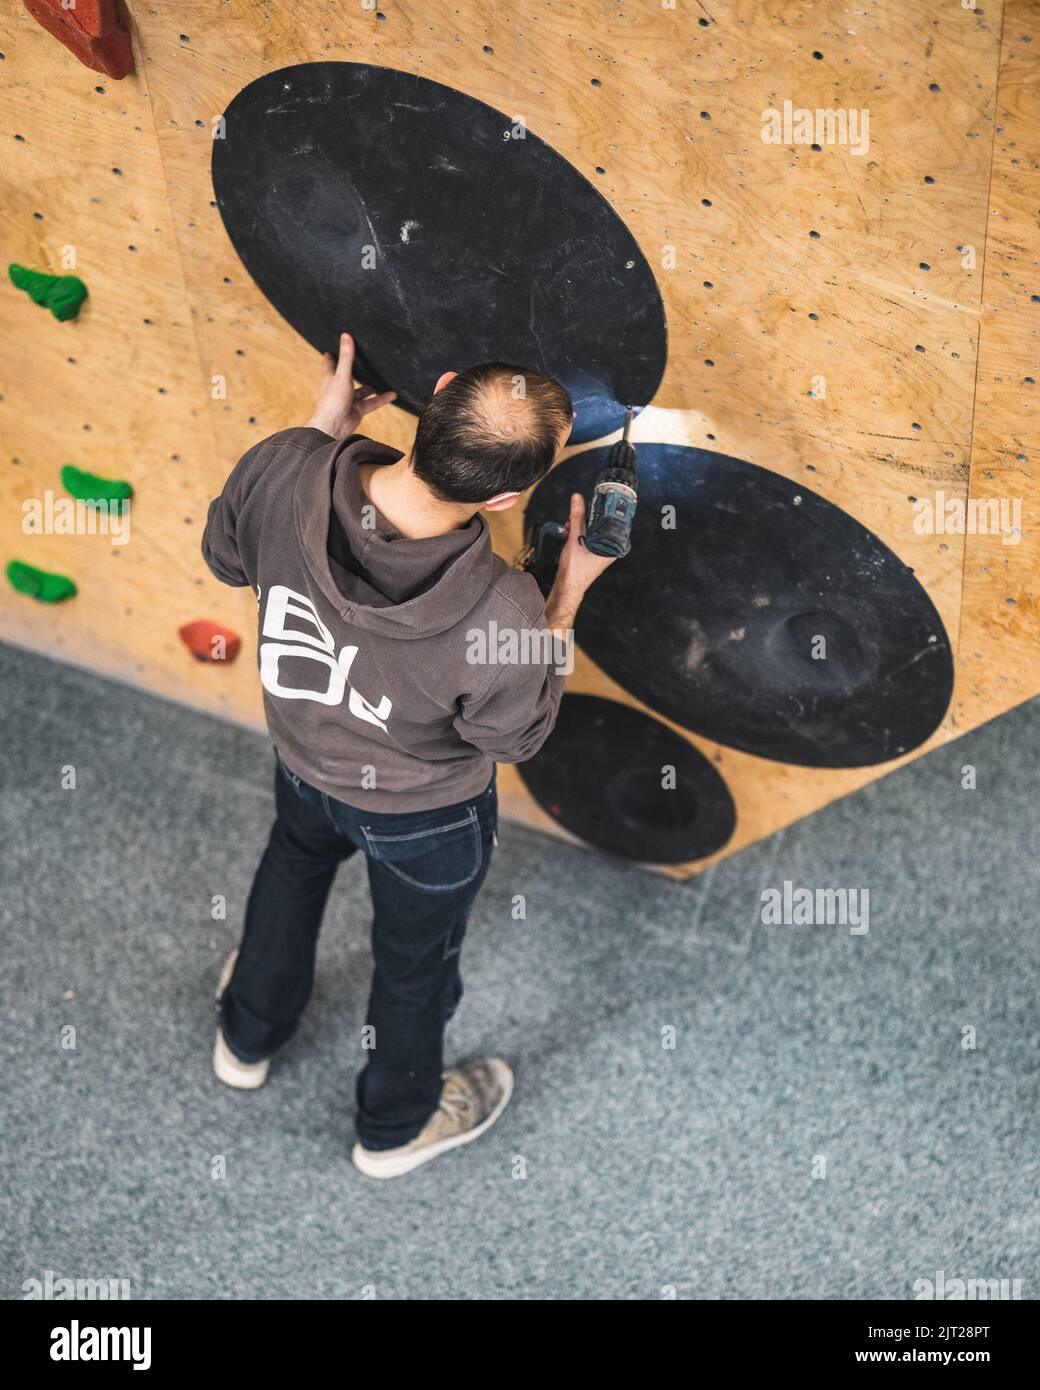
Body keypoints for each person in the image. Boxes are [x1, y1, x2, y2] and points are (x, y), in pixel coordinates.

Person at [201, 332, 613, 1178]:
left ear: (441, 390)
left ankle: (247, 1035)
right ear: (505, 500)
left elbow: (224, 554)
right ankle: (392, 1129)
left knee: (292, 867)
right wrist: (566, 592)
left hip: (304, 761)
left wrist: (317, 439)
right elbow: (516, 738)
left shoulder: (284, 466)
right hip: (426, 821)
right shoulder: (505, 609)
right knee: (414, 966)